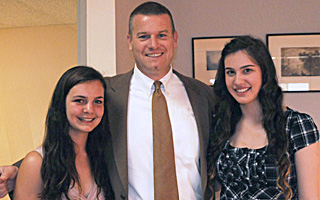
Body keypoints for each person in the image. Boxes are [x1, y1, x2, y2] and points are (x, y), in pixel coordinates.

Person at [0, 2, 215, 200]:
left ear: (174, 39)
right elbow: (68, 136)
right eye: (143, 37)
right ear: (130, 42)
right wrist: (19, 169)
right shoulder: (105, 94)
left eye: (162, 35)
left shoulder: (203, 96)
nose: (153, 44)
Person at [207, 36, 320, 199]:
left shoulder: (297, 125)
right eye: (231, 72)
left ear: (264, 73)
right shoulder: (221, 124)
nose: (238, 81)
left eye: (247, 70)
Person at [14, 66, 113, 199]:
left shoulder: (104, 157)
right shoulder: (36, 162)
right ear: (62, 103)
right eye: (79, 101)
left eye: (97, 102)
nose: (89, 109)